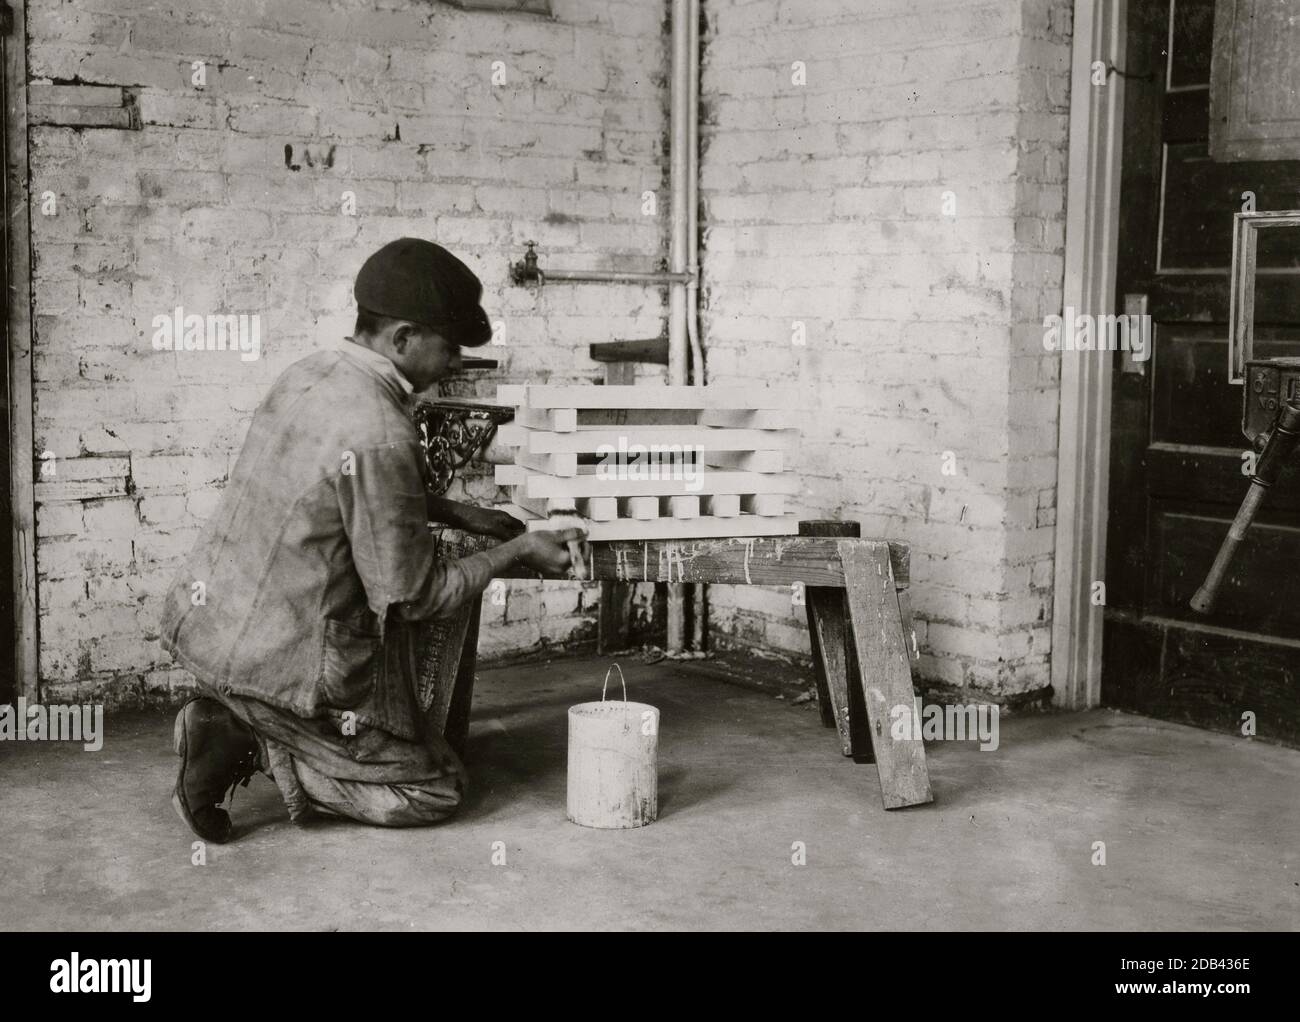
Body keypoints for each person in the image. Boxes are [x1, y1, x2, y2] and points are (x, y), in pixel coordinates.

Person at [159, 237, 583, 842]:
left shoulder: (309, 373)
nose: (456, 360)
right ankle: (253, 738)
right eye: (449, 346)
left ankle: (239, 716)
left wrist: (456, 511)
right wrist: (518, 551)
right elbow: (413, 595)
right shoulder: (384, 427)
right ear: (404, 338)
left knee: (417, 730)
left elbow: (335, 480)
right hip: (285, 661)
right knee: (436, 787)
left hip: (214, 626)